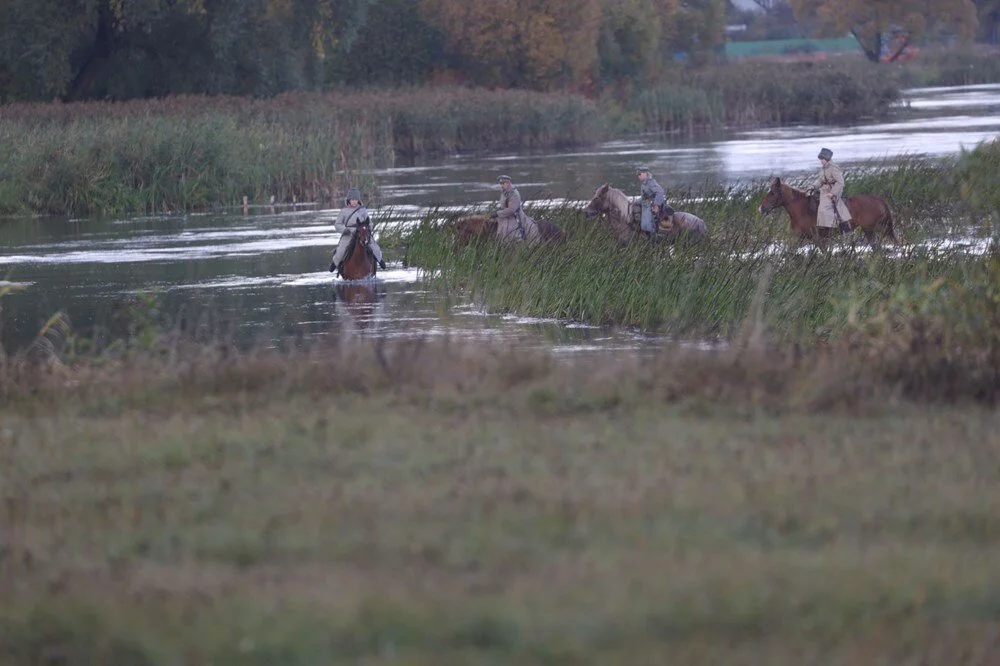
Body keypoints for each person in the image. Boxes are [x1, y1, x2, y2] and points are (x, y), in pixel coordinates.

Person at [329, 187, 386, 272]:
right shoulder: (344, 211)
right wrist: (345, 230)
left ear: (358, 200)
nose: (354, 201)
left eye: (356, 199)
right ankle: (334, 264)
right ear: (349, 200)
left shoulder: (363, 210)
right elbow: (337, 224)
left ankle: (380, 260)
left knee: (374, 247)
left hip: (362, 233)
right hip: (349, 234)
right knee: (342, 249)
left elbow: (369, 222)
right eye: (352, 199)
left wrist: (368, 229)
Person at [809, 148, 852, 233]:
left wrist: (832, 193)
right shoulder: (824, 168)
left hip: (834, 189)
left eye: (822, 159)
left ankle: (830, 225)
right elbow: (821, 180)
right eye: (820, 159)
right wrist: (813, 186)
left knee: (825, 206)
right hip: (825, 189)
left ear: (827, 158)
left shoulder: (833, 168)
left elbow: (840, 182)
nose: (821, 161)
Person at [490, 175, 540, 244]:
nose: (501, 186)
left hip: (516, 215)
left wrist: (498, 213)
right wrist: (497, 211)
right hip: (505, 213)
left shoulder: (514, 193)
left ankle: (519, 240)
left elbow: (511, 209)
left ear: (508, 183)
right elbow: (503, 206)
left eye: (503, 184)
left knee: (514, 230)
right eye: (500, 184)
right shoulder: (504, 192)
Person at [635, 166, 672, 236]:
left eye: (640, 174)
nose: (638, 176)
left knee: (647, 224)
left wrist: (656, 205)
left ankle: (653, 234)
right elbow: (644, 198)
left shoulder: (651, 182)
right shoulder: (644, 184)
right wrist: (634, 202)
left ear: (645, 174)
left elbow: (660, 192)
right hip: (646, 204)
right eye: (637, 175)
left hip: (652, 205)